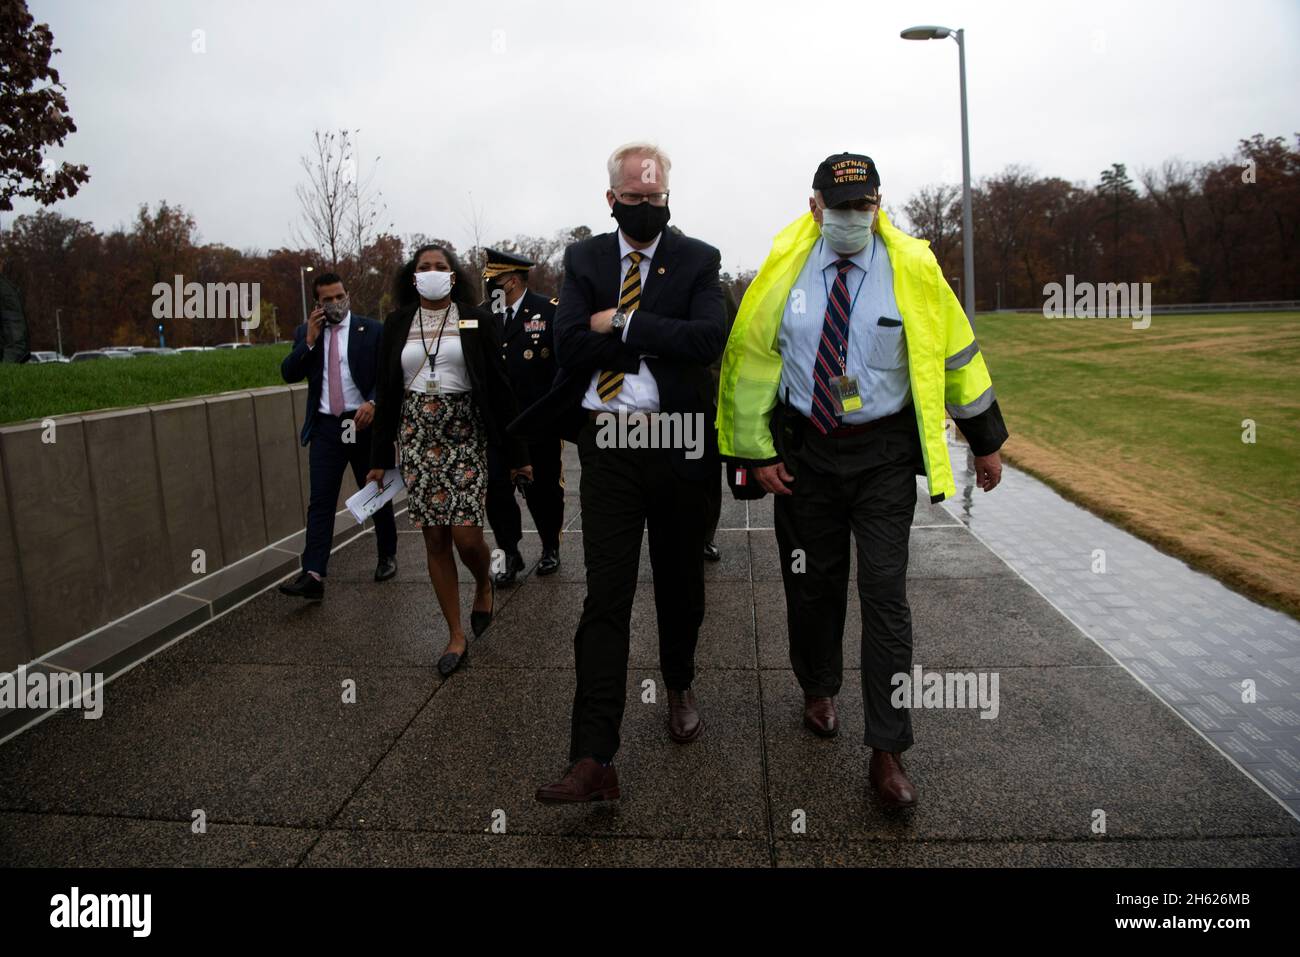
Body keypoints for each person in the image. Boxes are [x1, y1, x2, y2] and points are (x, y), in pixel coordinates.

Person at [716, 153, 1008, 810]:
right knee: (813, 586)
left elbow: (957, 352)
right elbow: (752, 363)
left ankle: (888, 750)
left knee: (884, 593)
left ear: (879, 204)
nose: (853, 218)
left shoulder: (913, 268)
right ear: (815, 206)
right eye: (840, 206)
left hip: (880, 455)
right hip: (806, 453)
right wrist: (755, 452)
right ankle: (817, 687)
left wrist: (985, 442)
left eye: (864, 205)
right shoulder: (783, 269)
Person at [512, 141, 727, 803]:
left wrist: (626, 320)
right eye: (633, 200)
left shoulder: (698, 259)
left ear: (668, 197)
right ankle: (593, 754)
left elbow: (706, 338)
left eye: (655, 200)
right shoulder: (583, 260)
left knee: (679, 582)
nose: (645, 209)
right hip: (607, 444)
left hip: (679, 442)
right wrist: (651, 330)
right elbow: (571, 342)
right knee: (604, 597)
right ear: (612, 200)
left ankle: (680, 680)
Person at [366, 244, 530, 677]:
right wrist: (379, 457)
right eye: (424, 267)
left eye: (440, 267)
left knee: (465, 536)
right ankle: (456, 635)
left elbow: (498, 386)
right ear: (413, 275)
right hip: (417, 435)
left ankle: (481, 580)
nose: (432, 272)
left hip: (465, 433)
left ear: (453, 277)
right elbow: (386, 391)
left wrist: (518, 453)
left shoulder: (475, 319)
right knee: (435, 539)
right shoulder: (398, 322)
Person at [279, 271, 397, 600]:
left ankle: (387, 554)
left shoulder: (371, 330)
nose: (335, 303)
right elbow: (289, 373)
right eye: (327, 299)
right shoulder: (307, 332)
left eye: (339, 296)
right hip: (327, 427)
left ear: (347, 295)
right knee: (321, 501)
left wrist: (374, 402)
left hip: (364, 422)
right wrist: (310, 341)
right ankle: (313, 573)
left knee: (375, 491)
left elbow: (388, 375)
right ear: (317, 303)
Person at [481, 248, 564, 584]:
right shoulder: (483, 315)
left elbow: (561, 367)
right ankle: (510, 553)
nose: (489, 288)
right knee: (496, 491)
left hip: (537, 420)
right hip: (497, 425)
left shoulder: (548, 311)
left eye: (493, 281)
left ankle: (549, 546)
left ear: (511, 281)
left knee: (543, 490)